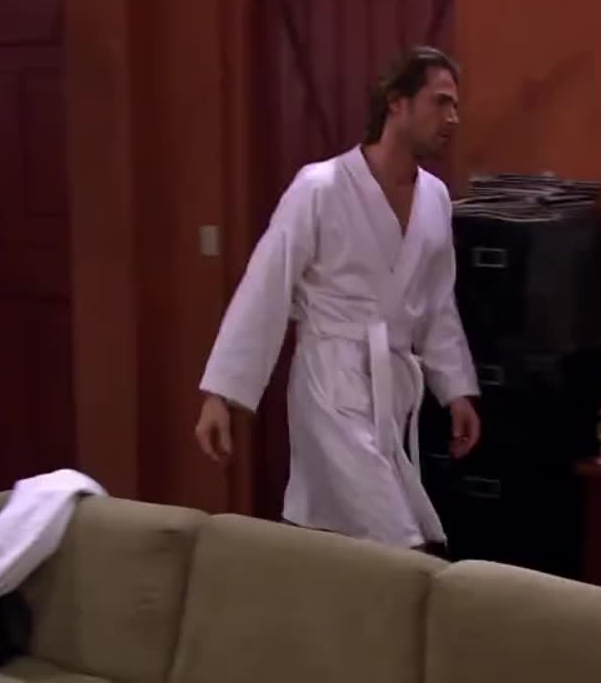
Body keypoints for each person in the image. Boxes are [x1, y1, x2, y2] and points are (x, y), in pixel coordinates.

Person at [193, 46, 481, 551]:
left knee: (349, 536)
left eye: (456, 106)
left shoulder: (436, 197)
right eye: (440, 102)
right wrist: (221, 393)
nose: (452, 118)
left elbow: (436, 304)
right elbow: (266, 287)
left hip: (390, 389)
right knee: (398, 538)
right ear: (397, 103)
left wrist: (455, 390)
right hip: (330, 382)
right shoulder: (320, 187)